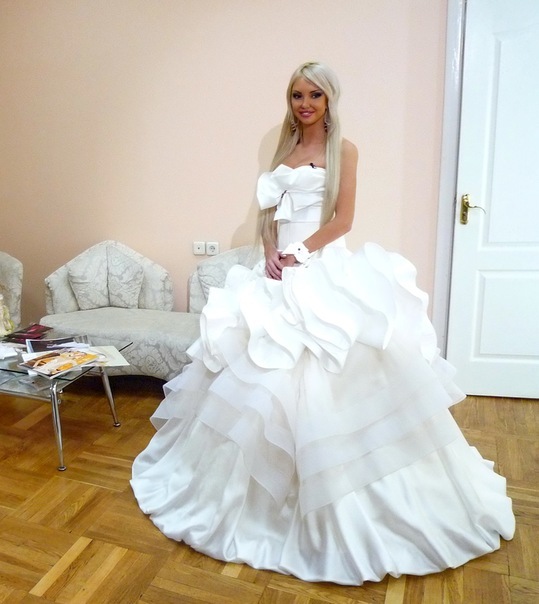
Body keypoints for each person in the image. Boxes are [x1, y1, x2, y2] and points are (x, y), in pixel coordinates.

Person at [131, 61, 515, 585]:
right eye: (297, 95)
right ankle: (241, 497)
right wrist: (271, 250)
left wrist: (299, 252)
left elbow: (343, 220)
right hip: (277, 271)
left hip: (319, 266)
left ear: (330, 99)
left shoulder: (345, 150)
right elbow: (270, 214)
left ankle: (340, 495)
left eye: (315, 95)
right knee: (256, 373)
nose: (305, 104)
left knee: (328, 363)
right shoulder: (284, 150)